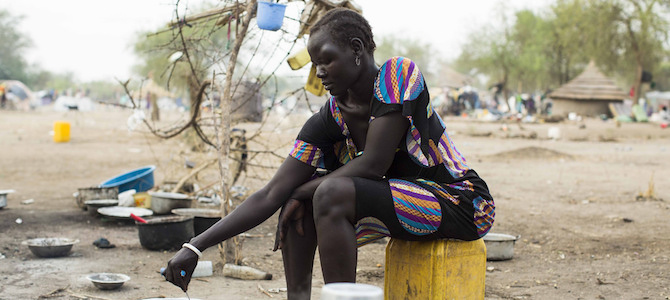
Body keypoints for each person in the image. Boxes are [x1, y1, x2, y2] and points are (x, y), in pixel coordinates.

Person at [164, 8, 495, 299]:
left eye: (326, 60)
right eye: (315, 64)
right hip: (405, 207)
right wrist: (194, 246)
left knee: (324, 191)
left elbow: (374, 164)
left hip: (461, 204)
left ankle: (342, 299)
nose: (319, 72)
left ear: (356, 49)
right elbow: (270, 193)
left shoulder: (397, 74)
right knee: (300, 205)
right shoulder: (331, 116)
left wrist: (300, 190)